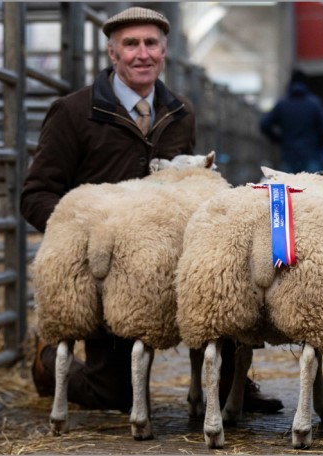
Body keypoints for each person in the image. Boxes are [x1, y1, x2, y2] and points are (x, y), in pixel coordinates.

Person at [23, 6, 282, 414]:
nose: (142, 54)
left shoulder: (179, 112)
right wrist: (83, 236)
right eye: (130, 44)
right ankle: (46, 363)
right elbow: (35, 193)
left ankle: (234, 382)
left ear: (164, 52)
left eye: (151, 44)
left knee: (222, 289)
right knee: (115, 396)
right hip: (110, 267)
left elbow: (189, 184)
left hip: (170, 256)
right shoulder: (74, 113)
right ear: (112, 53)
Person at [260, 69, 323, 173]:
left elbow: (264, 125)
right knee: (312, 188)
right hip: (310, 156)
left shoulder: (282, 104)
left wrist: (278, 139)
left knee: (289, 187)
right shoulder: (314, 104)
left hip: (289, 157)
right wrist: (317, 145)